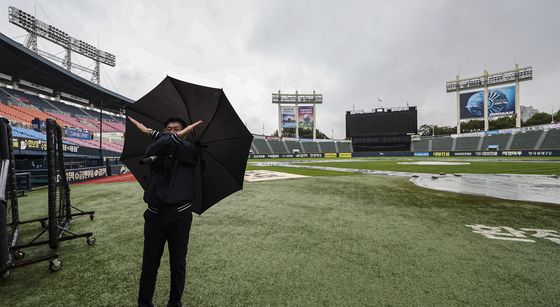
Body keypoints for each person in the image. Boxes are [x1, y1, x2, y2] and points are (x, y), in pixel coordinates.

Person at [129, 116, 203, 307]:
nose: (172, 132)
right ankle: (144, 303)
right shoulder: (157, 149)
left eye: (177, 129)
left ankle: (174, 302)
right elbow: (150, 150)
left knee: (178, 264)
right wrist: (164, 137)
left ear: (185, 133)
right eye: (168, 129)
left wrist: (152, 133)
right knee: (149, 265)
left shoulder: (191, 149)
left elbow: (182, 148)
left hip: (180, 216)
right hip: (154, 215)